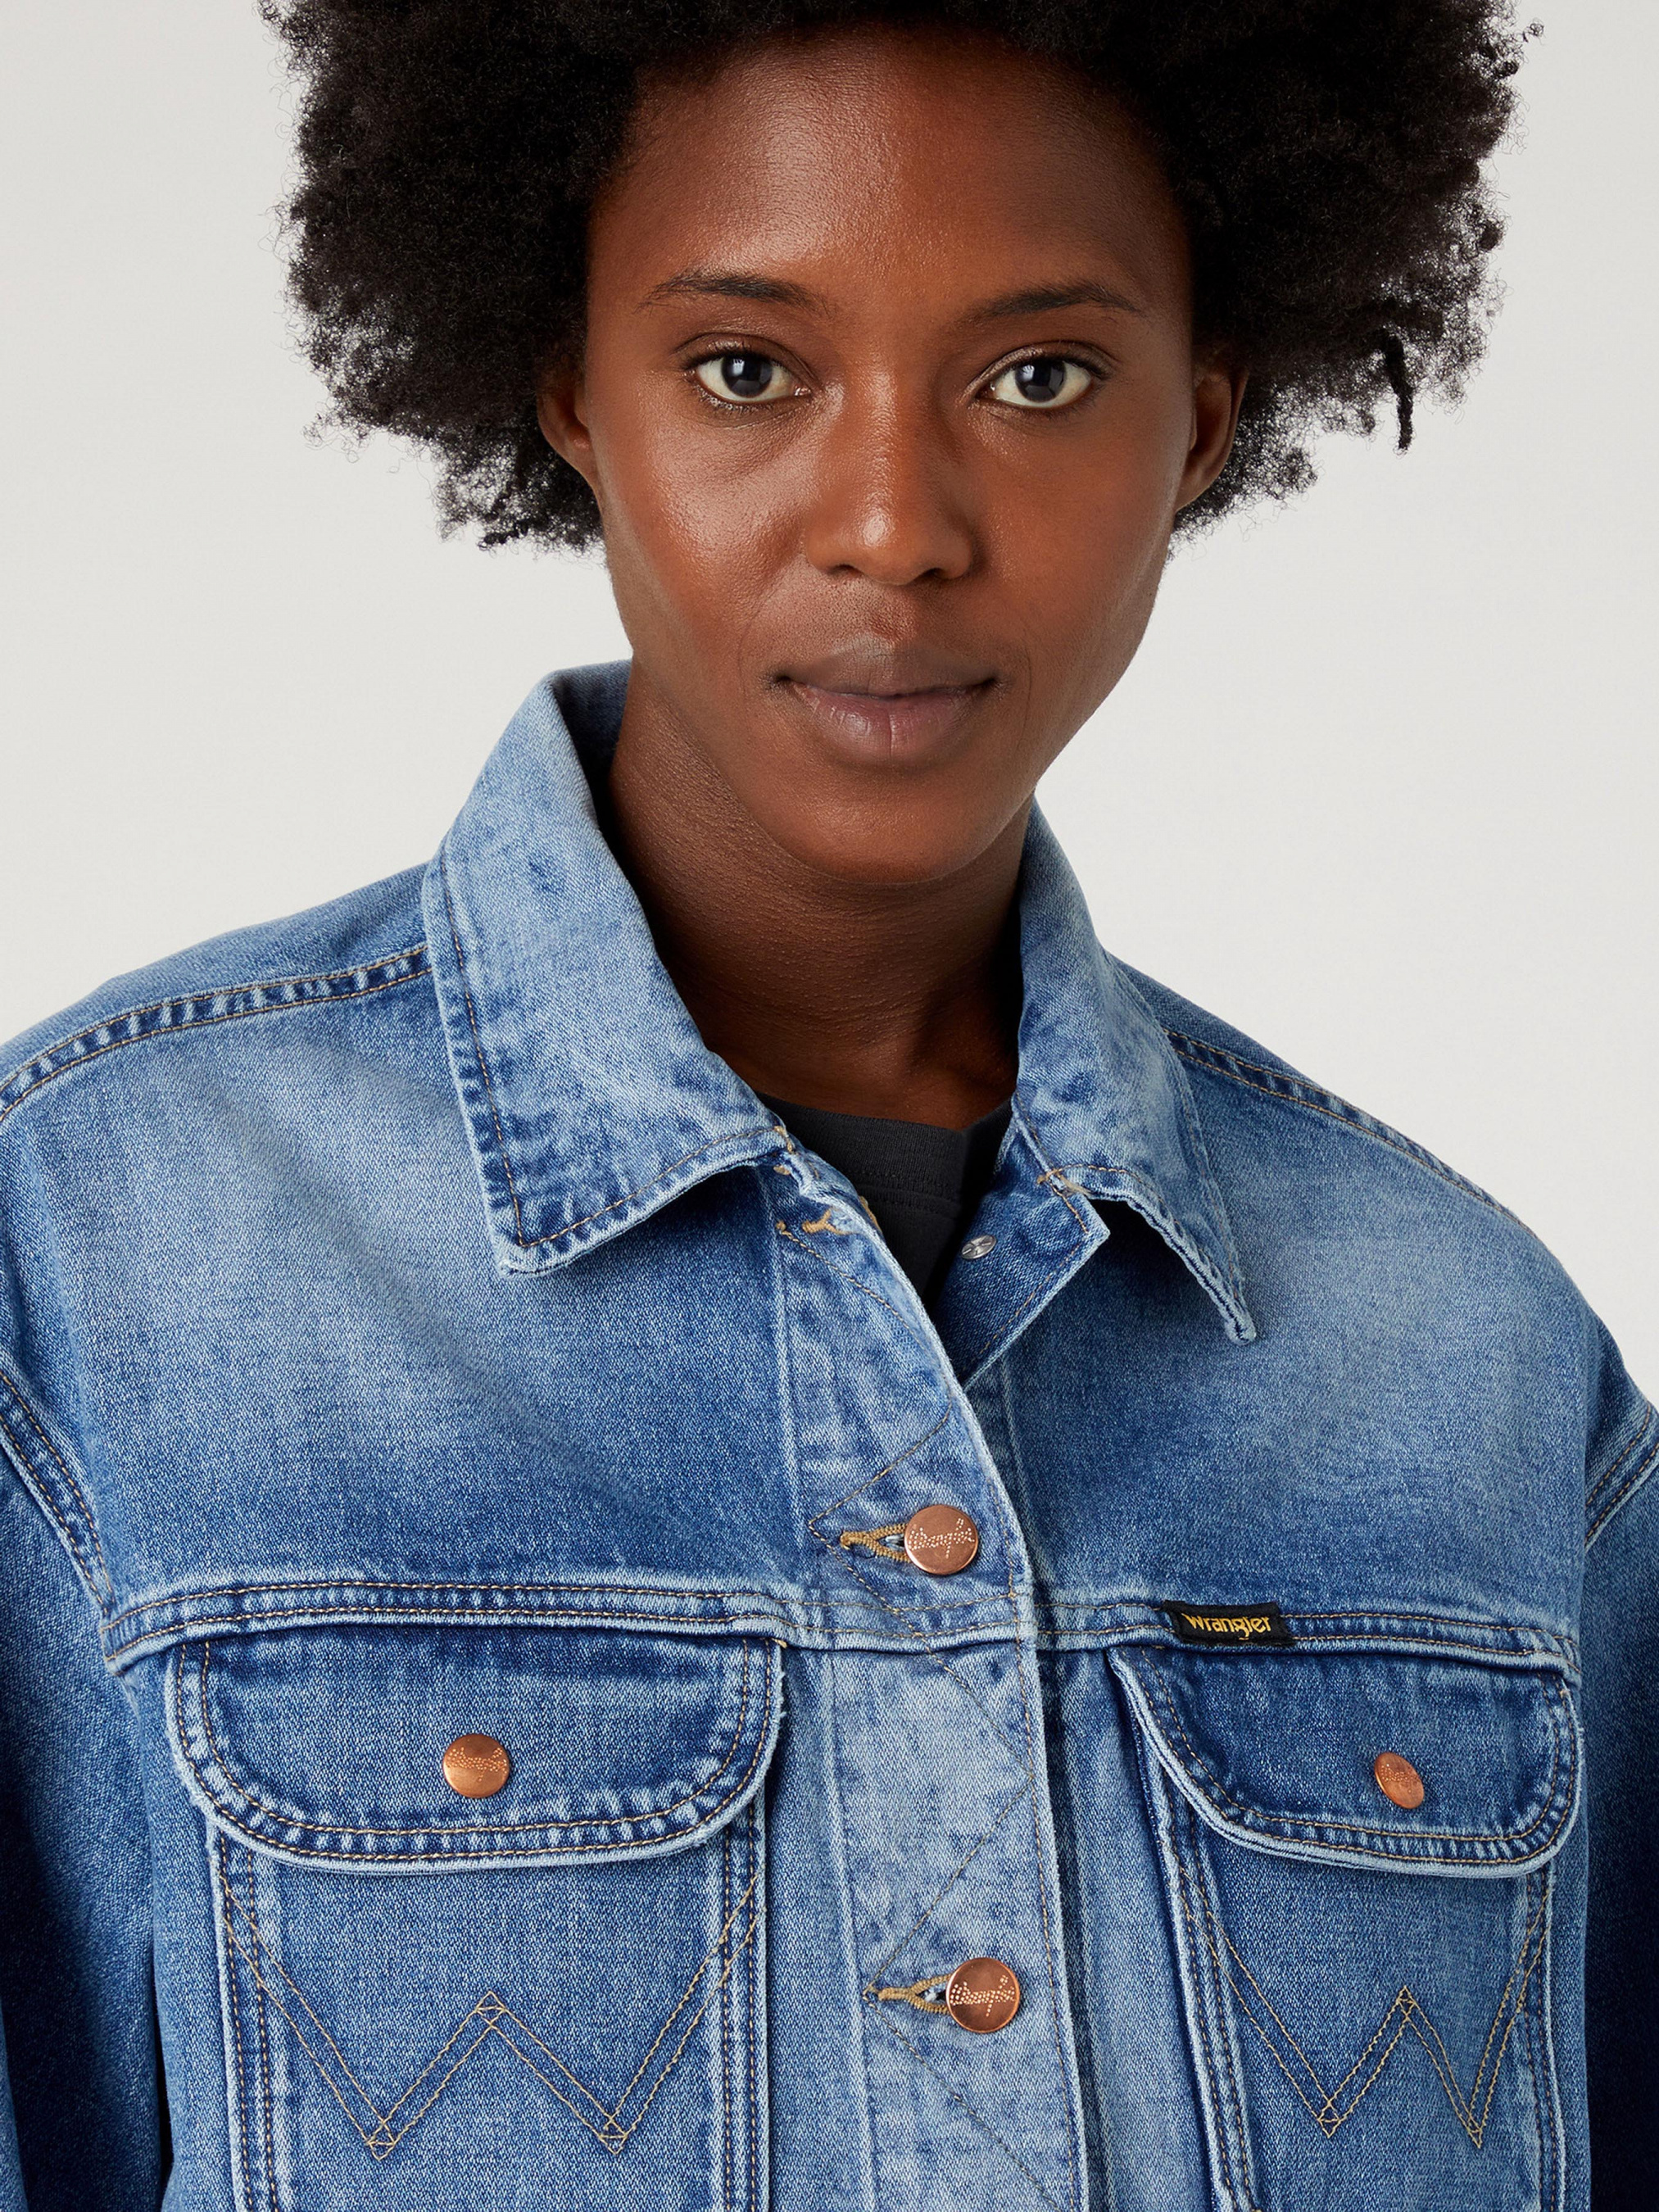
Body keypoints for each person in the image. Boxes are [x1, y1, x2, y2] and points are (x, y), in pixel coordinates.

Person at [0, 2, 1650, 2205]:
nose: (893, 526)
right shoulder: (90, 1253)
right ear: (569, 388)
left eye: (1037, 376)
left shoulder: (1463, 1357)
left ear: (1198, 423)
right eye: (746, 370)